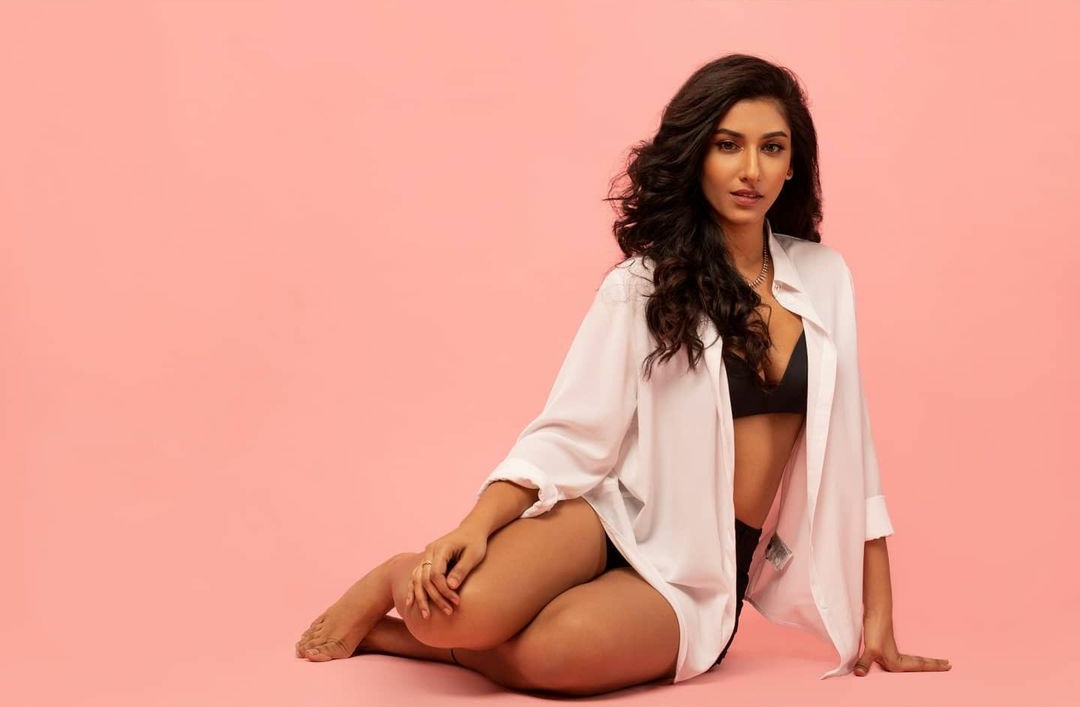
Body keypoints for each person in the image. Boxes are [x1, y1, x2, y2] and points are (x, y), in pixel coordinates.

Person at [294, 53, 951, 696]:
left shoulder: (827, 278)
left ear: (792, 163)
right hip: (607, 514)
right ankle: (395, 576)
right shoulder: (642, 284)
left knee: (556, 652)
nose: (750, 170)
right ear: (696, 155)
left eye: (771, 148)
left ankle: (402, 639)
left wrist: (879, 621)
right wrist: (473, 525)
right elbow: (569, 433)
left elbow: (854, 457)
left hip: (701, 570)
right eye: (727, 145)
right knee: (460, 608)